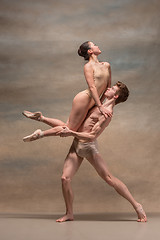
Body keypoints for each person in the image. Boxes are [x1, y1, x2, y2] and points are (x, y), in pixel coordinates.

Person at [22, 82, 147, 223]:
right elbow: (97, 84)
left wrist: (71, 132)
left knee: (109, 179)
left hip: (88, 147)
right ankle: (69, 213)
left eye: (112, 89)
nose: (108, 88)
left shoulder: (107, 114)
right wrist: (71, 131)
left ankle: (137, 206)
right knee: (65, 178)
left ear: (116, 96)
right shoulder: (98, 103)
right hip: (77, 145)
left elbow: (92, 136)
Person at [23, 41, 112, 132]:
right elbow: (92, 87)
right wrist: (100, 106)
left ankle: (40, 118)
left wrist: (99, 104)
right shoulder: (88, 66)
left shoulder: (106, 65)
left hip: (94, 101)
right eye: (94, 45)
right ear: (90, 51)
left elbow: (107, 87)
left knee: (70, 127)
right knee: (70, 129)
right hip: (84, 99)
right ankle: (41, 122)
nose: (97, 46)